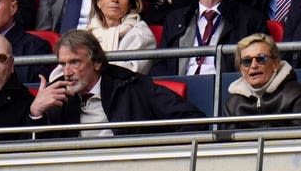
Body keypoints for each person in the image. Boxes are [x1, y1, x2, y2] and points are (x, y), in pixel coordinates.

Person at [29, 29, 205, 137]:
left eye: (75, 62)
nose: (66, 72)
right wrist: (36, 112)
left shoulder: (131, 86)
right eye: (62, 64)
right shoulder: (57, 95)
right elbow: (32, 150)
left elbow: (194, 120)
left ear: (97, 62)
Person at [51, 0, 156, 76]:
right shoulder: (83, 35)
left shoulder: (141, 34)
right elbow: (57, 75)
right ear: (98, 1)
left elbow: (130, 74)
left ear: (130, 4)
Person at [224, 33, 301, 129]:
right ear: (241, 69)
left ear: (275, 64)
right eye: (247, 61)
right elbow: (229, 142)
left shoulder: (296, 95)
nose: (254, 65)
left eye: (261, 59)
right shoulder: (232, 104)